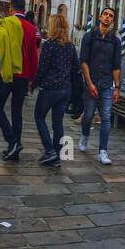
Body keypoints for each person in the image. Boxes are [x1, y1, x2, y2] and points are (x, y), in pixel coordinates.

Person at [0, 0, 40, 162]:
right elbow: (33, 56)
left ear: (11, 8)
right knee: (17, 112)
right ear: (24, 9)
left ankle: (12, 141)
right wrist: (33, 78)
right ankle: (13, 150)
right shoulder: (31, 28)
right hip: (24, 76)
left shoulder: (6, 23)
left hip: (8, 72)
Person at [32, 13, 77, 168]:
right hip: (65, 89)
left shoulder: (49, 45)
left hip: (50, 88)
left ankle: (50, 150)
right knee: (57, 123)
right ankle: (56, 157)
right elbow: (75, 67)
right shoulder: (71, 46)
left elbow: (42, 68)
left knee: (39, 117)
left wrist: (33, 85)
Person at [79, 6, 123, 165]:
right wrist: (89, 83)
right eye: (105, 14)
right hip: (91, 81)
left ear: (113, 20)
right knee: (89, 115)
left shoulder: (115, 41)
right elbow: (83, 61)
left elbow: (116, 66)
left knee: (106, 118)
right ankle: (84, 135)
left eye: (111, 16)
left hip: (106, 84)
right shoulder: (89, 37)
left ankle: (103, 151)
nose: (107, 17)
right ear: (100, 17)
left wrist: (117, 87)